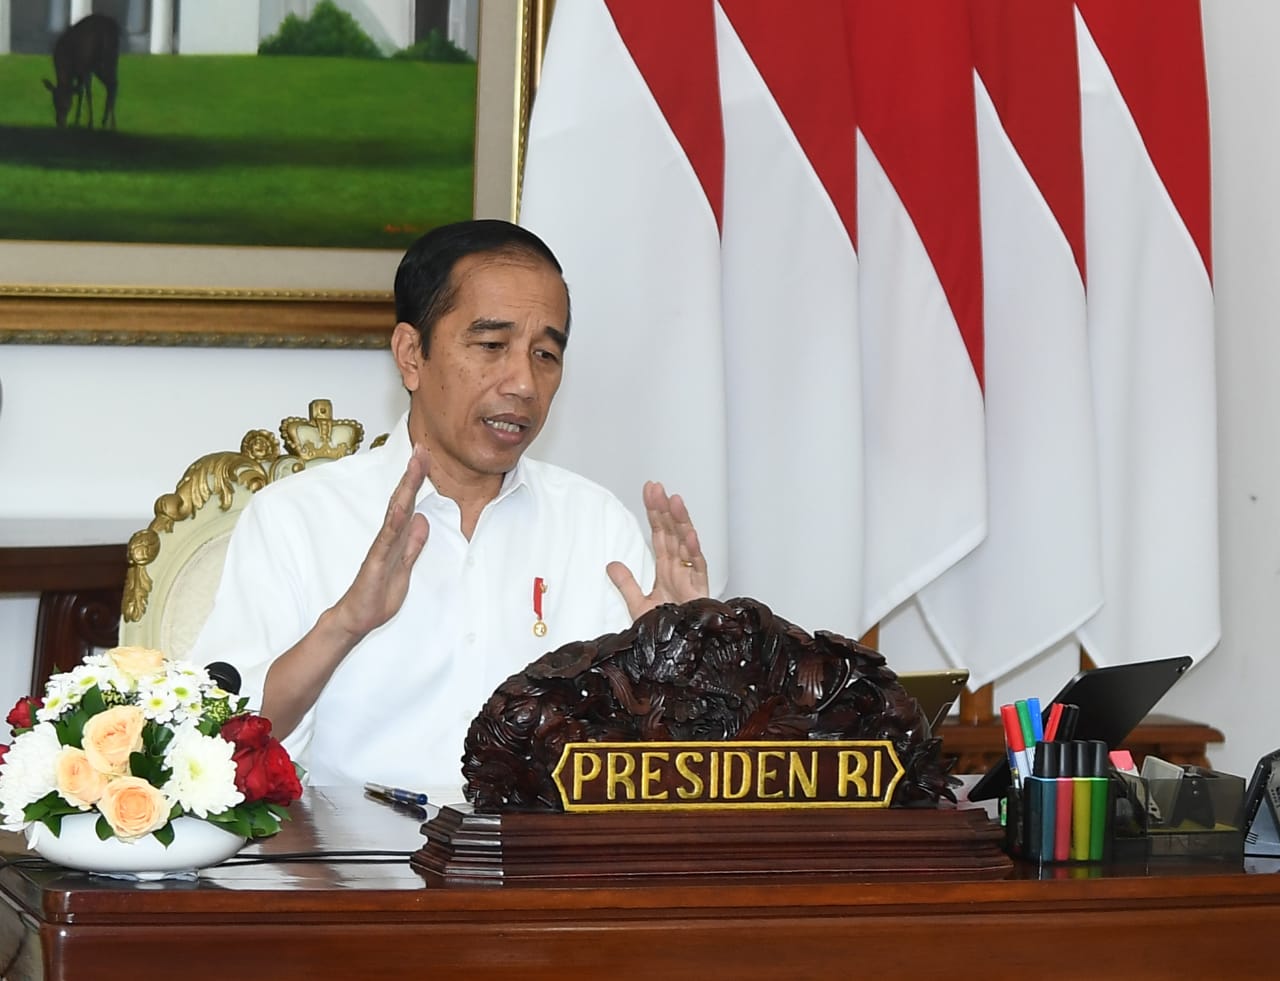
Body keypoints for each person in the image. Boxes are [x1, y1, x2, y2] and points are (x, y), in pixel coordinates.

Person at [190, 219, 708, 792]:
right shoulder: (300, 519)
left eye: (545, 354)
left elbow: (651, 773)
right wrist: (343, 625)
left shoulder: (595, 525)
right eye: (491, 346)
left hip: (542, 866)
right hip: (356, 868)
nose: (524, 384)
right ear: (412, 355)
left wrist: (682, 665)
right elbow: (216, 745)